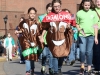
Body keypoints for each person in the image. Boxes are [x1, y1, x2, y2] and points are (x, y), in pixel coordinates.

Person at [41, 0, 75, 75]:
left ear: (60, 6)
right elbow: (45, 27)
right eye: (55, 6)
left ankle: (59, 68)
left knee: (62, 54)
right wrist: (42, 36)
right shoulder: (49, 15)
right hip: (53, 38)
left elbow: (73, 23)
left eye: (58, 6)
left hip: (63, 38)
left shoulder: (66, 14)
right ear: (53, 6)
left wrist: (70, 26)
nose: (56, 8)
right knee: (54, 55)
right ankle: (56, 71)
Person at [16, 7, 43, 75]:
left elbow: (39, 33)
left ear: (35, 14)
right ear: (28, 14)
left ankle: (32, 68)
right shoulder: (24, 22)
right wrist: (17, 31)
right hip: (25, 41)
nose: (32, 15)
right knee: (27, 57)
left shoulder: (37, 23)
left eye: (34, 13)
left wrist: (41, 38)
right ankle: (27, 71)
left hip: (34, 42)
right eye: (31, 13)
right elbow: (21, 29)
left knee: (32, 57)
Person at [76, 0, 98, 75]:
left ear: (90, 5)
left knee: (89, 52)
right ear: (82, 5)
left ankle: (89, 67)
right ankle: (82, 66)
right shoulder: (79, 13)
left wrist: (96, 37)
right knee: (82, 51)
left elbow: (96, 25)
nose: (87, 7)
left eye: (88, 5)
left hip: (91, 36)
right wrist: (79, 29)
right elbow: (77, 23)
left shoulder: (93, 12)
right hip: (82, 35)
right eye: (85, 5)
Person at [38, 3, 54, 75]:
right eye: (48, 10)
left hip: (52, 39)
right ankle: (43, 65)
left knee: (51, 55)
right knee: (44, 54)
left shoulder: (54, 17)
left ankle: (50, 68)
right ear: (46, 10)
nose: (49, 11)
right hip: (44, 39)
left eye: (51, 10)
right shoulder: (42, 17)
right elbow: (38, 28)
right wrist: (40, 36)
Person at [93, 0, 100, 73]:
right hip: (96, 33)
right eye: (97, 2)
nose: (99, 3)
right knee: (96, 50)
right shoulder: (93, 11)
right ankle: (97, 67)